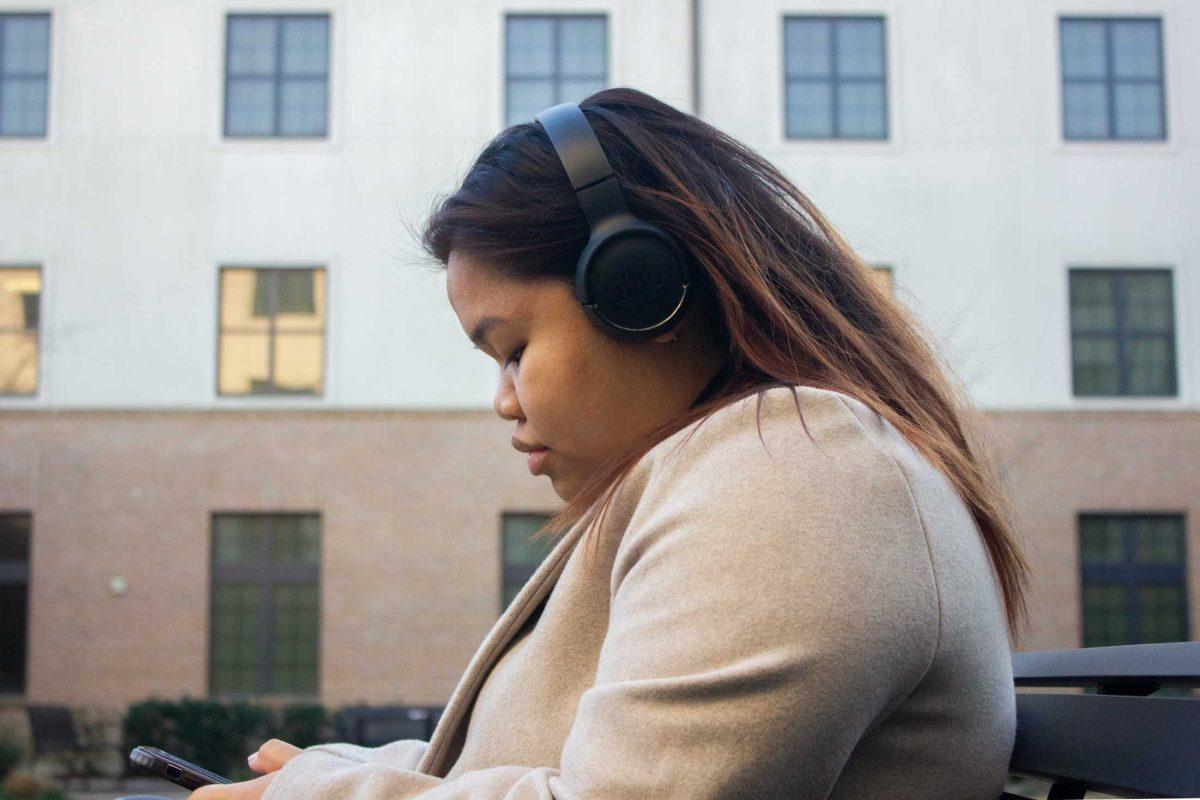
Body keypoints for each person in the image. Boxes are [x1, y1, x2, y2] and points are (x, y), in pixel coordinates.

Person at [193, 87, 1030, 800]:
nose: (503, 401)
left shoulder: (803, 469)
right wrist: (339, 773)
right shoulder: (745, 468)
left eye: (514, 348)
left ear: (639, 288)